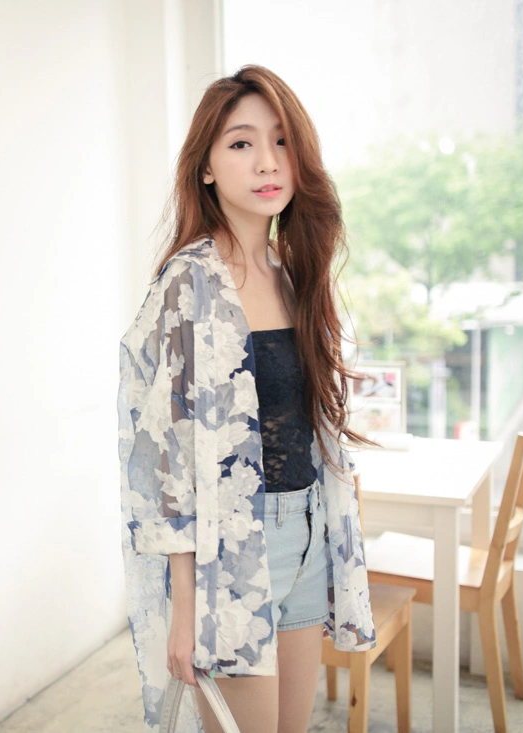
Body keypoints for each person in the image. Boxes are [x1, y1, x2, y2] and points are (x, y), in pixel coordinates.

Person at [117, 65, 376, 733]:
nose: (267, 160)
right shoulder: (190, 283)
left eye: (281, 140)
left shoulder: (291, 274)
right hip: (230, 550)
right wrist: (185, 607)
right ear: (205, 167)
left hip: (307, 534)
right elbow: (168, 458)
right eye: (241, 143)